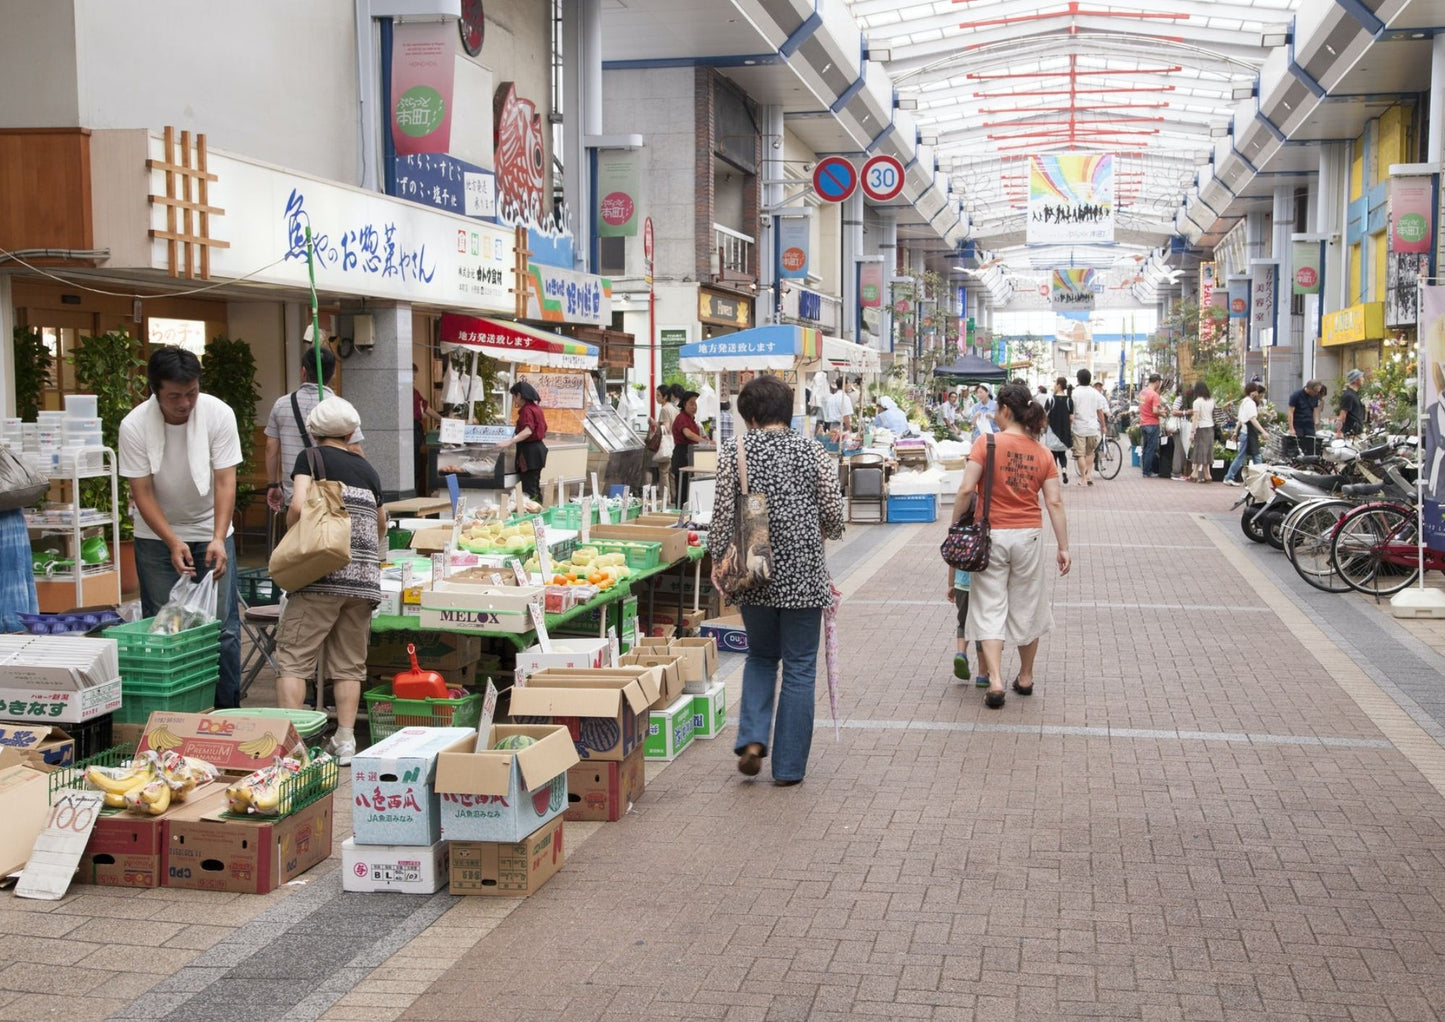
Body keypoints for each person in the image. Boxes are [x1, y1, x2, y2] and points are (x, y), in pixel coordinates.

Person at [711, 374, 845, 786]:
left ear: (750, 417)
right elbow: (835, 518)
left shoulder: (735, 452)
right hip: (805, 575)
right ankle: (788, 769)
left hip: (755, 573)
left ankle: (752, 740)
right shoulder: (813, 452)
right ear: (789, 413)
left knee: (761, 657)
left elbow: (720, 521)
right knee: (801, 667)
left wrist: (719, 560)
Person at [118, 347, 244, 709]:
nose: (185, 402)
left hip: (212, 528)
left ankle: (226, 712)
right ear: (155, 390)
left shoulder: (219, 414)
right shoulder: (134, 425)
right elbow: (141, 491)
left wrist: (218, 537)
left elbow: (225, 482)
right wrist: (172, 541)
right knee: (163, 627)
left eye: (191, 392)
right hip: (155, 536)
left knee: (221, 628)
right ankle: (171, 714)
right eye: (175, 395)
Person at [273, 398, 385, 765]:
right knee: (350, 664)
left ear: (314, 431)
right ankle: (347, 741)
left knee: (294, 660)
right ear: (351, 432)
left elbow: (298, 506)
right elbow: (381, 523)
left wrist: (295, 539)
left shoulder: (311, 458)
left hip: (322, 573)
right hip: (364, 579)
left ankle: (295, 746)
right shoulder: (368, 470)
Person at [950, 383, 1070, 709]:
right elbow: (1055, 502)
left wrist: (954, 525)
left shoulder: (985, 443)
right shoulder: (1042, 452)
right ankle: (1026, 677)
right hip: (1029, 534)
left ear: (1004, 409)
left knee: (989, 605)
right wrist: (1063, 546)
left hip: (991, 536)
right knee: (1028, 605)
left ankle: (997, 681)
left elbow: (964, 490)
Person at [264, 345, 363, 513]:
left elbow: (270, 448)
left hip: (295, 497)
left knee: (299, 538)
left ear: (303, 371)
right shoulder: (341, 407)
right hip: (333, 496)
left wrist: (273, 483)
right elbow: (354, 449)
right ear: (332, 374)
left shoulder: (281, 405)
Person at [495, 381, 548, 502]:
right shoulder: (536, 408)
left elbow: (528, 431)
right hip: (538, 450)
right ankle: (539, 513)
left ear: (519, 395)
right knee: (534, 487)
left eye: (514, 396)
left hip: (530, 453)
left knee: (529, 489)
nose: (514, 400)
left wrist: (510, 441)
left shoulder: (527, 410)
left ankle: (535, 515)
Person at [947, 567, 987, 690]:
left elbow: (952, 561)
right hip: (985, 586)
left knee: (963, 623)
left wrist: (951, 584)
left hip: (961, 585)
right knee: (983, 627)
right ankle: (982, 674)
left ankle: (961, 653)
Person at [1069, 368, 1108, 486]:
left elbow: (1072, 412)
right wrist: (1103, 425)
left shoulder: (1075, 393)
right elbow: (1100, 411)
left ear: (1078, 379)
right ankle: (1089, 475)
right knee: (1090, 453)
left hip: (1079, 428)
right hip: (1092, 427)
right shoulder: (1095, 393)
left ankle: (1083, 479)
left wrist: (1069, 425)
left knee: (1080, 454)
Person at [1223, 381, 1263, 485]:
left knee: (1247, 456)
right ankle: (1260, 478)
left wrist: (1236, 431)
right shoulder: (1250, 403)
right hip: (1248, 433)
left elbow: (1240, 419)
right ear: (1253, 392)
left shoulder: (1244, 402)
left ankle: (1230, 477)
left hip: (1244, 432)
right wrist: (1263, 431)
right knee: (1254, 456)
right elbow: (1253, 419)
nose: (1257, 394)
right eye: (1256, 391)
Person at [412, 363, 442, 496]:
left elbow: (426, 409)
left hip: (416, 430)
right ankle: (414, 493)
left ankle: (417, 491)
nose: (413, 380)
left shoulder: (414, 392)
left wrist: (443, 420)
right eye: (412, 377)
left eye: (414, 377)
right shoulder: (403, 393)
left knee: (418, 465)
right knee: (414, 465)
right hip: (410, 431)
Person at [672, 390, 705, 506]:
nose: (694, 407)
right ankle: (680, 517)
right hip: (682, 455)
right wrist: (705, 442)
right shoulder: (681, 418)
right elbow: (688, 434)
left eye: (696, 404)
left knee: (689, 489)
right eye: (691, 403)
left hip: (690, 454)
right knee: (683, 490)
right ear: (684, 404)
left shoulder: (692, 419)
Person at [1044, 376, 1073, 484]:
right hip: (1064, 432)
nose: (1054, 386)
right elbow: (1071, 418)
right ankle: (1064, 470)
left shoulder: (1051, 400)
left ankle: (1055, 476)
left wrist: (1045, 426)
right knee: (1062, 454)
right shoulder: (1069, 400)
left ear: (1059, 385)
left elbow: (1044, 415)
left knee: (1053, 455)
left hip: (1053, 431)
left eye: (1055, 384)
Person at [651, 384, 678, 490]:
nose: (656, 397)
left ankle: (665, 498)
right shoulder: (673, 408)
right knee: (671, 473)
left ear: (665, 396)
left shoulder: (664, 409)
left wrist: (653, 423)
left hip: (666, 444)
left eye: (658, 395)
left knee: (663, 472)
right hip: (674, 443)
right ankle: (674, 496)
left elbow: (666, 428)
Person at [1288, 379, 1324, 455]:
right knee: (1299, 447)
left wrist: (1316, 425)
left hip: (1309, 424)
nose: (1316, 393)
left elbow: (1314, 410)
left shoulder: (1315, 396)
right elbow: (1290, 412)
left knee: (1311, 446)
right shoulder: (1296, 395)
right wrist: (1291, 428)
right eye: (1315, 391)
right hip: (1298, 424)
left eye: (1318, 391)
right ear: (1309, 388)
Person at [1189, 381, 1216, 483]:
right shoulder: (1211, 401)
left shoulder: (1197, 402)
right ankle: (1207, 475)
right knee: (1208, 451)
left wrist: (1192, 431)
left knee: (1200, 450)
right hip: (1210, 427)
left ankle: (1195, 474)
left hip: (1201, 427)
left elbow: (1196, 417)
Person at [1138, 373, 1164, 477]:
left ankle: (1144, 469)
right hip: (1152, 424)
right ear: (1157, 382)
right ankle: (1147, 471)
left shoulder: (1142, 392)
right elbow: (1154, 410)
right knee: (1151, 449)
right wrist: (1162, 413)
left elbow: (1145, 407)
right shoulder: (1154, 395)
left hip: (1143, 423)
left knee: (1145, 448)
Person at [1337, 369, 1367, 436]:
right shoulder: (1349, 395)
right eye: (1361, 377)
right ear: (1356, 380)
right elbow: (1342, 415)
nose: (1363, 379)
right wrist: (1339, 432)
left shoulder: (1355, 394)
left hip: (1356, 431)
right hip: (1350, 432)